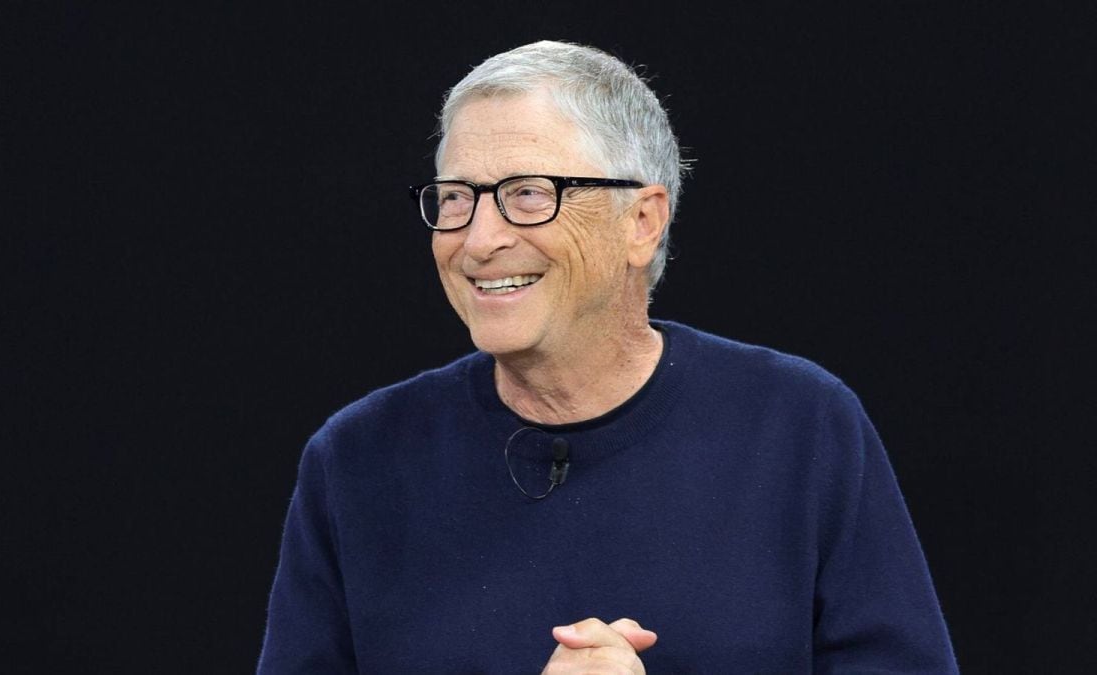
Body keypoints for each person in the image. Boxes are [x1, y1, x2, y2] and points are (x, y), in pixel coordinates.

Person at [258, 40, 957, 673]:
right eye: (456, 199)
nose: (478, 240)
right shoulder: (357, 463)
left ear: (642, 222)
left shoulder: (800, 428)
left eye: (527, 195)